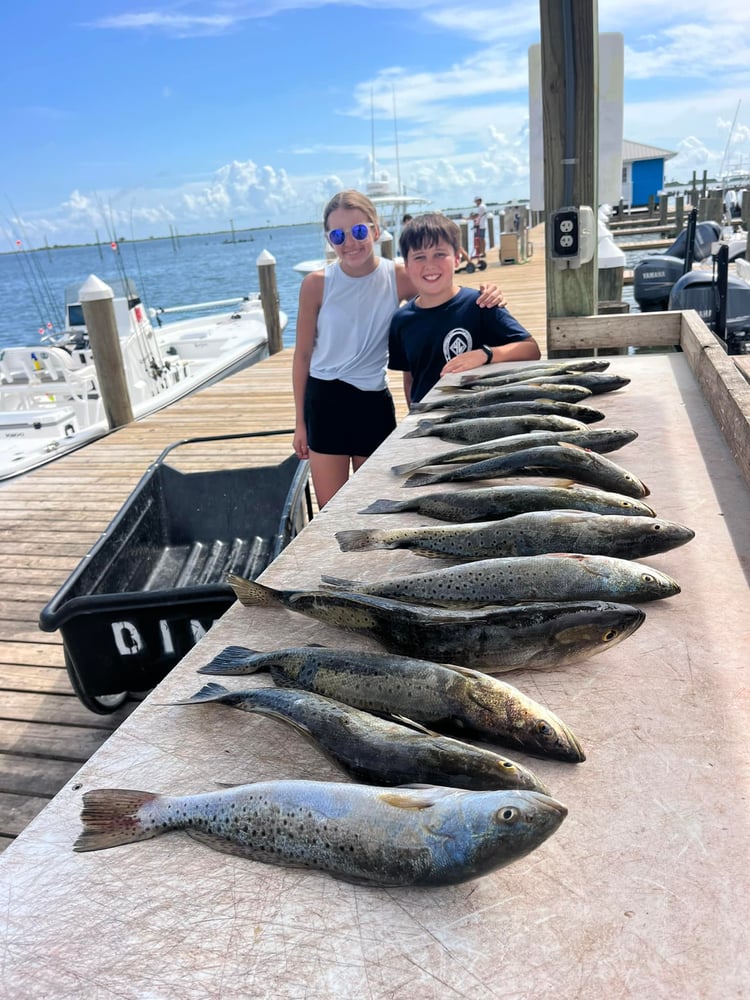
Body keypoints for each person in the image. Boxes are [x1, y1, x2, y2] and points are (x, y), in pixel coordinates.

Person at [293, 190, 506, 507]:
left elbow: (440, 281)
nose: (350, 242)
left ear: (376, 231)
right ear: (329, 239)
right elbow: (303, 356)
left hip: (372, 402)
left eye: (359, 231)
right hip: (324, 402)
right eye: (338, 235)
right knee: (330, 510)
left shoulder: (398, 276)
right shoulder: (316, 283)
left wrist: (488, 291)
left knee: (374, 503)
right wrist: (300, 422)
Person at [388, 212, 541, 407]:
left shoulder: (480, 304)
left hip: (475, 414)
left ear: (457, 258)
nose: (430, 265)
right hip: (426, 415)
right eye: (419, 257)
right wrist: (413, 412)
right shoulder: (401, 320)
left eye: (439, 254)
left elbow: (531, 349)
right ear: (407, 266)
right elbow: (409, 377)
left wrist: (485, 354)